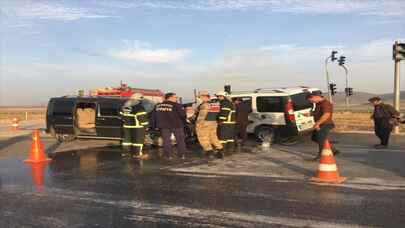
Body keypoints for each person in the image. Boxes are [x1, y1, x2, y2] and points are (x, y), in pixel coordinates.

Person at [153, 92, 187, 160]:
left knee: (166, 141)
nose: (176, 99)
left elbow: (154, 116)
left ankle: (168, 155)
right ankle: (182, 155)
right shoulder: (176, 105)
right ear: (170, 97)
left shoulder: (158, 105)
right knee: (180, 140)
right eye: (175, 97)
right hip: (176, 125)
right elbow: (183, 115)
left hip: (164, 125)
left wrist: (155, 125)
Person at [306, 92, 340, 160]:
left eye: (310, 100)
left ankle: (321, 156)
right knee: (314, 138)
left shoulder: (326, 103)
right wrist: (310, 114)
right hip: (321, 124)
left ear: (315, 97)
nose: (311, 102)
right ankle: (333, 150)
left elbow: (326, 115)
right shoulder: (318, 103)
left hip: (325, 124)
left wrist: (317, 124)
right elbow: (318, 113)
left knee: (320, 139)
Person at [195, 91, 224, 158]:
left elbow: (202, 116)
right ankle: (220, 149)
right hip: (213, 122)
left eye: (199, 97)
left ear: (204, 96)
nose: (199, 98)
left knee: (203, 137)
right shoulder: (215, 104)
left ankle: (209, 151)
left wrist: (198, 125)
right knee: (213, 137)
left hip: (204, 123)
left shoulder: (204, 105)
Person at [120, 93, 149, 159]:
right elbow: (142, 117)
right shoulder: (139, 107)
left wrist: (125, 121)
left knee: (127, 141)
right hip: (137, 127)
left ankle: (125, 153)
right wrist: (146, 126)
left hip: (127, 126)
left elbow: (121, 115)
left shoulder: (124, 106)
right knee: (138, 141)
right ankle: (137, 154)